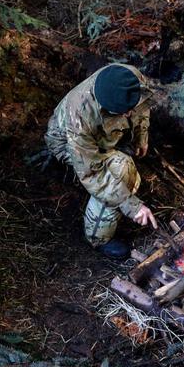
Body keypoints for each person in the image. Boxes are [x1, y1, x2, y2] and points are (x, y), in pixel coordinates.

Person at [45, 63, 158, 259]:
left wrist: (141, 136)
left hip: (106, 134)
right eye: (123, 112)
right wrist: (132, 205)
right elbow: (93, 173)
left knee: (126, 171)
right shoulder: (80, 114)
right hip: (69, 143)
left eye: (129, 109)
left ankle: (119, 191)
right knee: (122, 169)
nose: (129, 114)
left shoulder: (129, 78)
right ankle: (98, 237)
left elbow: (141, 108)